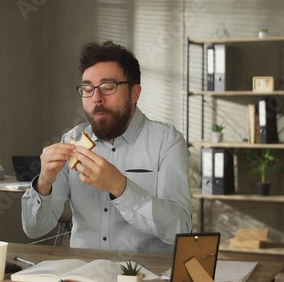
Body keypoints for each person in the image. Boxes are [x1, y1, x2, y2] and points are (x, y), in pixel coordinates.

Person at [21, 41, 192, 255]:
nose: (96, 98)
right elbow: (35, 229)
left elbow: (181, 229)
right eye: (87, 89)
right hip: (83, 274)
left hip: (144, 275)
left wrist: (120, 187)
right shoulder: (72, 139)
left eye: (108, 87)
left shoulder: (167, 142)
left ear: (134, 93)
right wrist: (44, 182)